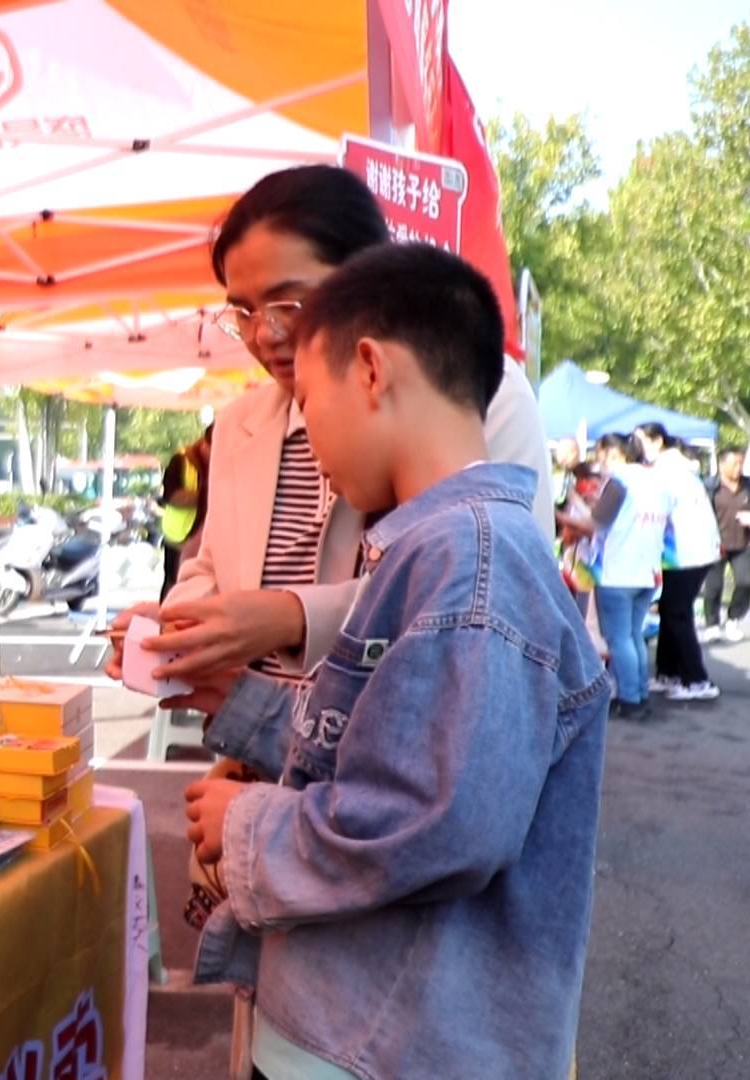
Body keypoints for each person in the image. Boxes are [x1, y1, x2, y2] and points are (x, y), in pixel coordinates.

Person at [184, 244, 609, 1080]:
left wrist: (244, 821)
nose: (306, 437)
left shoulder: (471, 564)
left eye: (309, 403)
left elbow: (437, 823)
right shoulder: (447, 551)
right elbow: (383, 741)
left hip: (387, 1046)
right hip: (360, 1032)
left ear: (371, 370)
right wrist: (243, 708)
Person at [106, 165, 553, 704]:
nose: (263, 334)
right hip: (265, 763)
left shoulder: (470, 393)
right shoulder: (240, 423)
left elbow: (486, 590)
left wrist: (291, 616)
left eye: (288, 303)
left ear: (367, 277)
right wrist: (183, 623)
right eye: (242, 312)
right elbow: (212, 569)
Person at [568, 434, 671, 719]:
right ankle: (638, 694)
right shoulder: (658, 483)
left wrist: (564, 513)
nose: (600, 463)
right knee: (633, 636)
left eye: (602, 455)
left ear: (614, 454)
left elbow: (596, 523)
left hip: (618, 572)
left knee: (619, 639)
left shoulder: (620, 481)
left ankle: (629, 698)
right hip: (647, 571)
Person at [645, 430, 721, 700]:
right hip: (688, 553)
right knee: (669, 610)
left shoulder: (667, 472)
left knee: (677, 613)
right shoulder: (678, 469)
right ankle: (668, 672)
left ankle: (697, 680)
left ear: (657, 442)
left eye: (641, 440)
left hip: (686, 554)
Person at [157, 426, 213, 601]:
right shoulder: (181, 461)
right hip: (178, 538)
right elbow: (171, 496)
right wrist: (206, 495)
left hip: (204, 539)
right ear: (205, 444)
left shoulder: (222, 463)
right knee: (174, 587)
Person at [703, 449, 750, 642]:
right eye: (734, 464)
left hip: (743, 543)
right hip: (716, 544)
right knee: (713, 586)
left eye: (741, 463)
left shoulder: (748, 485)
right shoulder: (710, 486)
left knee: (745, 582)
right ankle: (712, 624)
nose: (738, 468)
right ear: (722, 465)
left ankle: (734, 618)